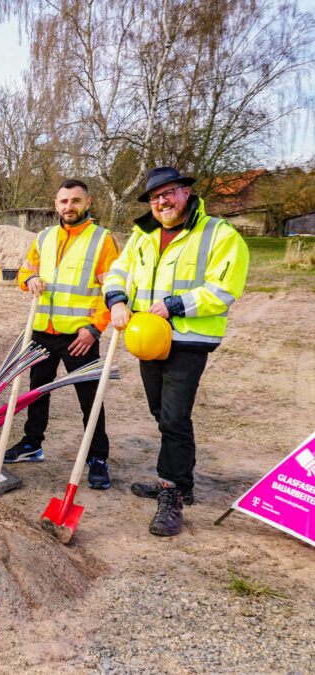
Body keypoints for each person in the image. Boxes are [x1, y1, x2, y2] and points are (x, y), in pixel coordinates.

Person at [105, 166, 249, 536]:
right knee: (161, 412)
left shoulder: (219, 234)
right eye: (155, 197)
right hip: (146, 338)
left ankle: (171, 492)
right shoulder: (143, 234)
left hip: (187, 339)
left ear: (186, 192)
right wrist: (117, 300)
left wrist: (175, 305)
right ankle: (181, 483)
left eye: (168, 193)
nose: (161, 202)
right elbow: (118, 270)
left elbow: (224, 288)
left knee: (173, 417)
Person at [6, 179, 120, 490]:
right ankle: (32, 444)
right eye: (64, 201)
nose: (69, 207)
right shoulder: (43, 237)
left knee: (89, 397)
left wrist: (95, 329)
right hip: (43, 330)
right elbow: (25, 270)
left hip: (79, 336)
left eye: (75, 201)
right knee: (37, 391)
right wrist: (29, 279)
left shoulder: (102, 240)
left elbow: (113, 289)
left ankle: (97, 457)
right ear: (56, 205)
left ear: (88, 203)